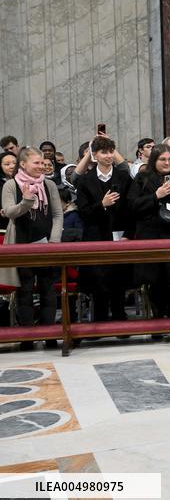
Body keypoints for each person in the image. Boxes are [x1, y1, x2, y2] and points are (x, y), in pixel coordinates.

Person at [0, 147, 63, 347]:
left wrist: (53, 241)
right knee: (25, 291)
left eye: (43, 162)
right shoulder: (11, 185)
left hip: (46, 245)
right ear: (23, 164)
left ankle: (50, 334)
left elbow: (57, 214)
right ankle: (27, 336)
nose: (41, 166)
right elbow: (10, 212)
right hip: (21, 244)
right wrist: (27, 201)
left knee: (48, 289)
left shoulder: (50, 184)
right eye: (36, 163)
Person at [127, 145, 170, 318]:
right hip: (152, 235)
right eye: (162, 159)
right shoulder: (142, 177)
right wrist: (155, 196)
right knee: (156, 282)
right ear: (154, 160)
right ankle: (159, 320)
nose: (167, 163)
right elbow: (132, 206)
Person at [75, 136, 134, 322]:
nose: (108, 156)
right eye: (103, 152)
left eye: (110, 151)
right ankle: (99, 319)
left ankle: (119, 316)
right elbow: (83, 213)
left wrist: (128, 234)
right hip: (95, 235)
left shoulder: (123, 177)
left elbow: (131, 208)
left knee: (119, 279)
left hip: (118, 233)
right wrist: (102, 204)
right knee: (98, 280)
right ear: (95, 155)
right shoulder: (85, 181)